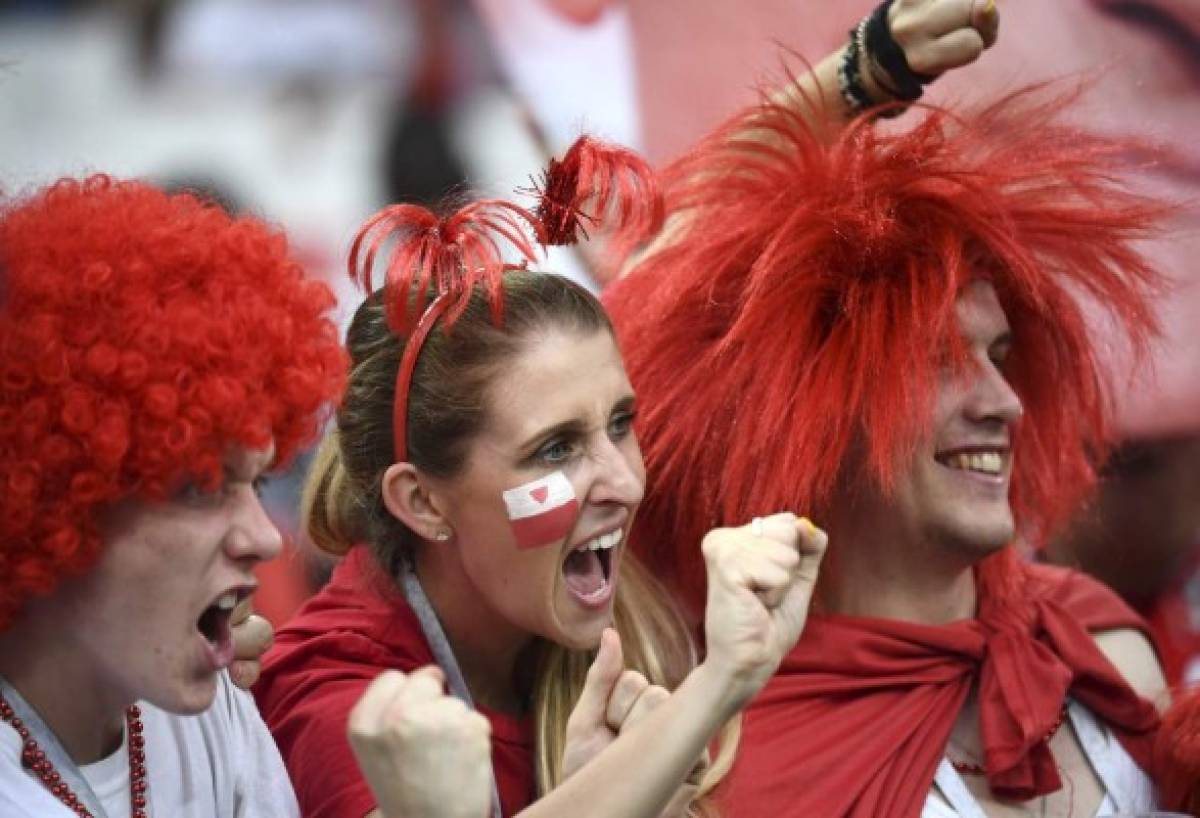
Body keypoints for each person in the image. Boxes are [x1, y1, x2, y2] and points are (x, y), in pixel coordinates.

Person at [602, 83, 1186, 815]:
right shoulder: (734, 765)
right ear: (816, 411)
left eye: (1000, 356)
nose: (1003, 402)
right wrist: (853, 74)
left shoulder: (1096, 642)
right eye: (940, 362)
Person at [253, 163, 829, 818]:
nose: (625, 482)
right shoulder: (343, 704)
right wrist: (724, 680)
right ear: (422, 502)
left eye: (621, 423)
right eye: (555, 450)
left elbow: (721, 235)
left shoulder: (609, 619)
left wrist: (871, 74)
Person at [0, 175, 346, 817]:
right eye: (200, 486)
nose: (267, 537)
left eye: (257, 481)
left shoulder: (209, 717)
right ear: (51, 503)